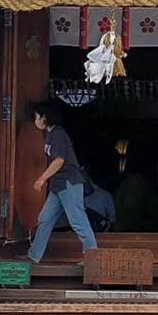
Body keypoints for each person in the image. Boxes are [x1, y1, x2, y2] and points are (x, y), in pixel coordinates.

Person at [26, 102, 98, 263]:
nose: (35, 120)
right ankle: (33, 255)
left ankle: (92, 256)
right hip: (58, 186)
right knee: (45, 218)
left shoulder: (58, 134)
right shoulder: (50, 134)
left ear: (45, 117)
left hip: (68, 183)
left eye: (36, 117)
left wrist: (42, 178)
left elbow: (59, 160)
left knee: (77, 219)